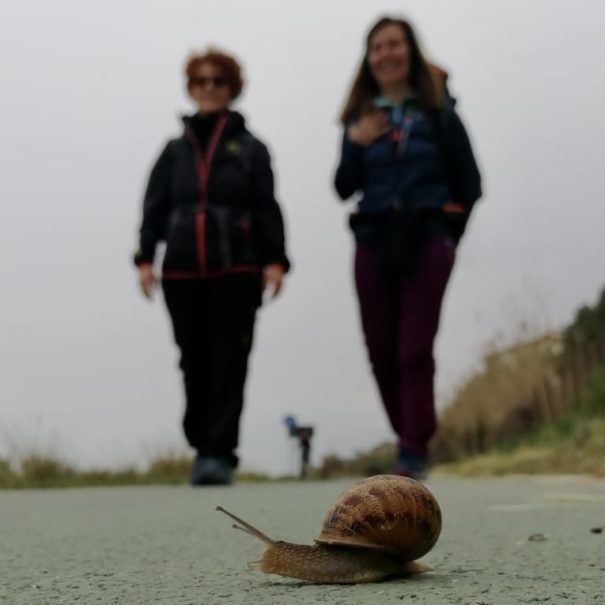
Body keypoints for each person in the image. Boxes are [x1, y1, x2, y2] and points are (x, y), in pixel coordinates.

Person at [333, 16, 481, 479]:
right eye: (377, 47)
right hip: (373, 239)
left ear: (410, 51)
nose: (386, 53)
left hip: (427, 237)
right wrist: (356, 145)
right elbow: (342, 186)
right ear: (368, 58)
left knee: (414, 347)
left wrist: (449, 234)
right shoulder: (359, 121)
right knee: (380, 348)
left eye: (394, 44)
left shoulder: (439, 113)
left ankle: (414, 449)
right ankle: (407, 437)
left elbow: (470, 183)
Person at [133, 48, 290, 486]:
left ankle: (219, 453)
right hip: (182, 273)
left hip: (237, 271)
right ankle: (200, 442)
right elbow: (154, 208)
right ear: (190, 88)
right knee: (192, 360)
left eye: (218, 81)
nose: (209, 88)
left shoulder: (252, 149)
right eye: (200, 81)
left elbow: (267, 207)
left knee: (230, 360)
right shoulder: (173, 152)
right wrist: (145, 257)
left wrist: (275, 260)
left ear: (232, 88)